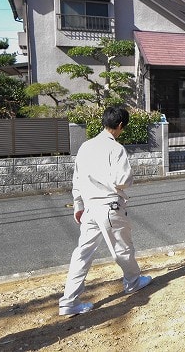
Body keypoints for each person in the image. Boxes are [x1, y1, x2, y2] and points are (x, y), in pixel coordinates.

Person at [59, 106, 152, 316]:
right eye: (122, 127)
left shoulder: (86, 146)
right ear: (120, 126)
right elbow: (122, 181)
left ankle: (69, 301)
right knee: (122, 250)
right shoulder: (116, 149)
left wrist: (78, 205)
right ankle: (133, 282)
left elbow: (77, 179)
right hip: (110, 206)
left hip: (90, 207)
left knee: (82, 254)